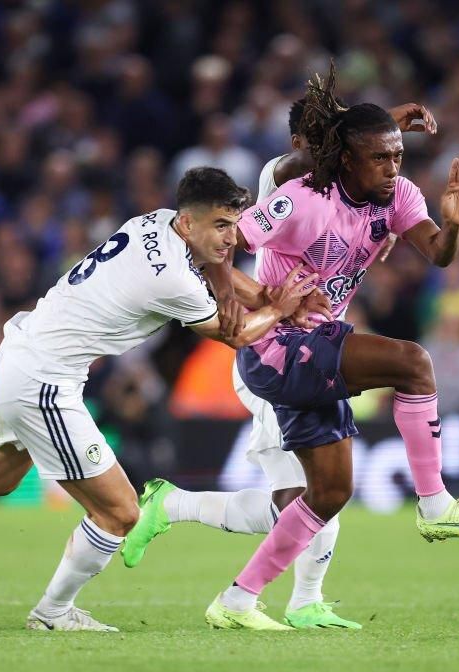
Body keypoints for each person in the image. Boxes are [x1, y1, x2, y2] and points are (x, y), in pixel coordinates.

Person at [0, 167, 322, 632]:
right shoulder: (169, 277)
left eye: (234, 224)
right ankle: (54, 612)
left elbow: (219, 271)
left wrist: (260, 301)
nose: (231, 237)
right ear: (188, 223)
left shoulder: (154, 220)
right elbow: (235, 336)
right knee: (122, 512)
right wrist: (277, 308)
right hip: (45, 380)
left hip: (20, 354)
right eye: (221, 225)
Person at [211, 67, 459, 630]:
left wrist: (451, 225)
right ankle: (434, 505)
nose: (394, 168)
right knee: (412, 362)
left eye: (398, 157)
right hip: (277, 346)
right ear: (346, 158)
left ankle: (235, 601)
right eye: (381, 157)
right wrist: (259, 300)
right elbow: (219, 244)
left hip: (319, 344)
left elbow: (439, 255)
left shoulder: (395, 193)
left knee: (327, 494)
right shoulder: (297, 196)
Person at [121, 96, 438, 630]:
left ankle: (302, 600)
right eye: (330, 142)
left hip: (306, 345)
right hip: (274, 350)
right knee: (309, 499)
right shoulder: (286, 177)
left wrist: (386, 127)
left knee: (311, 498)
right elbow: (231, 250)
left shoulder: (351, 189)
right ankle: (175, 509)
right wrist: (269, 300)